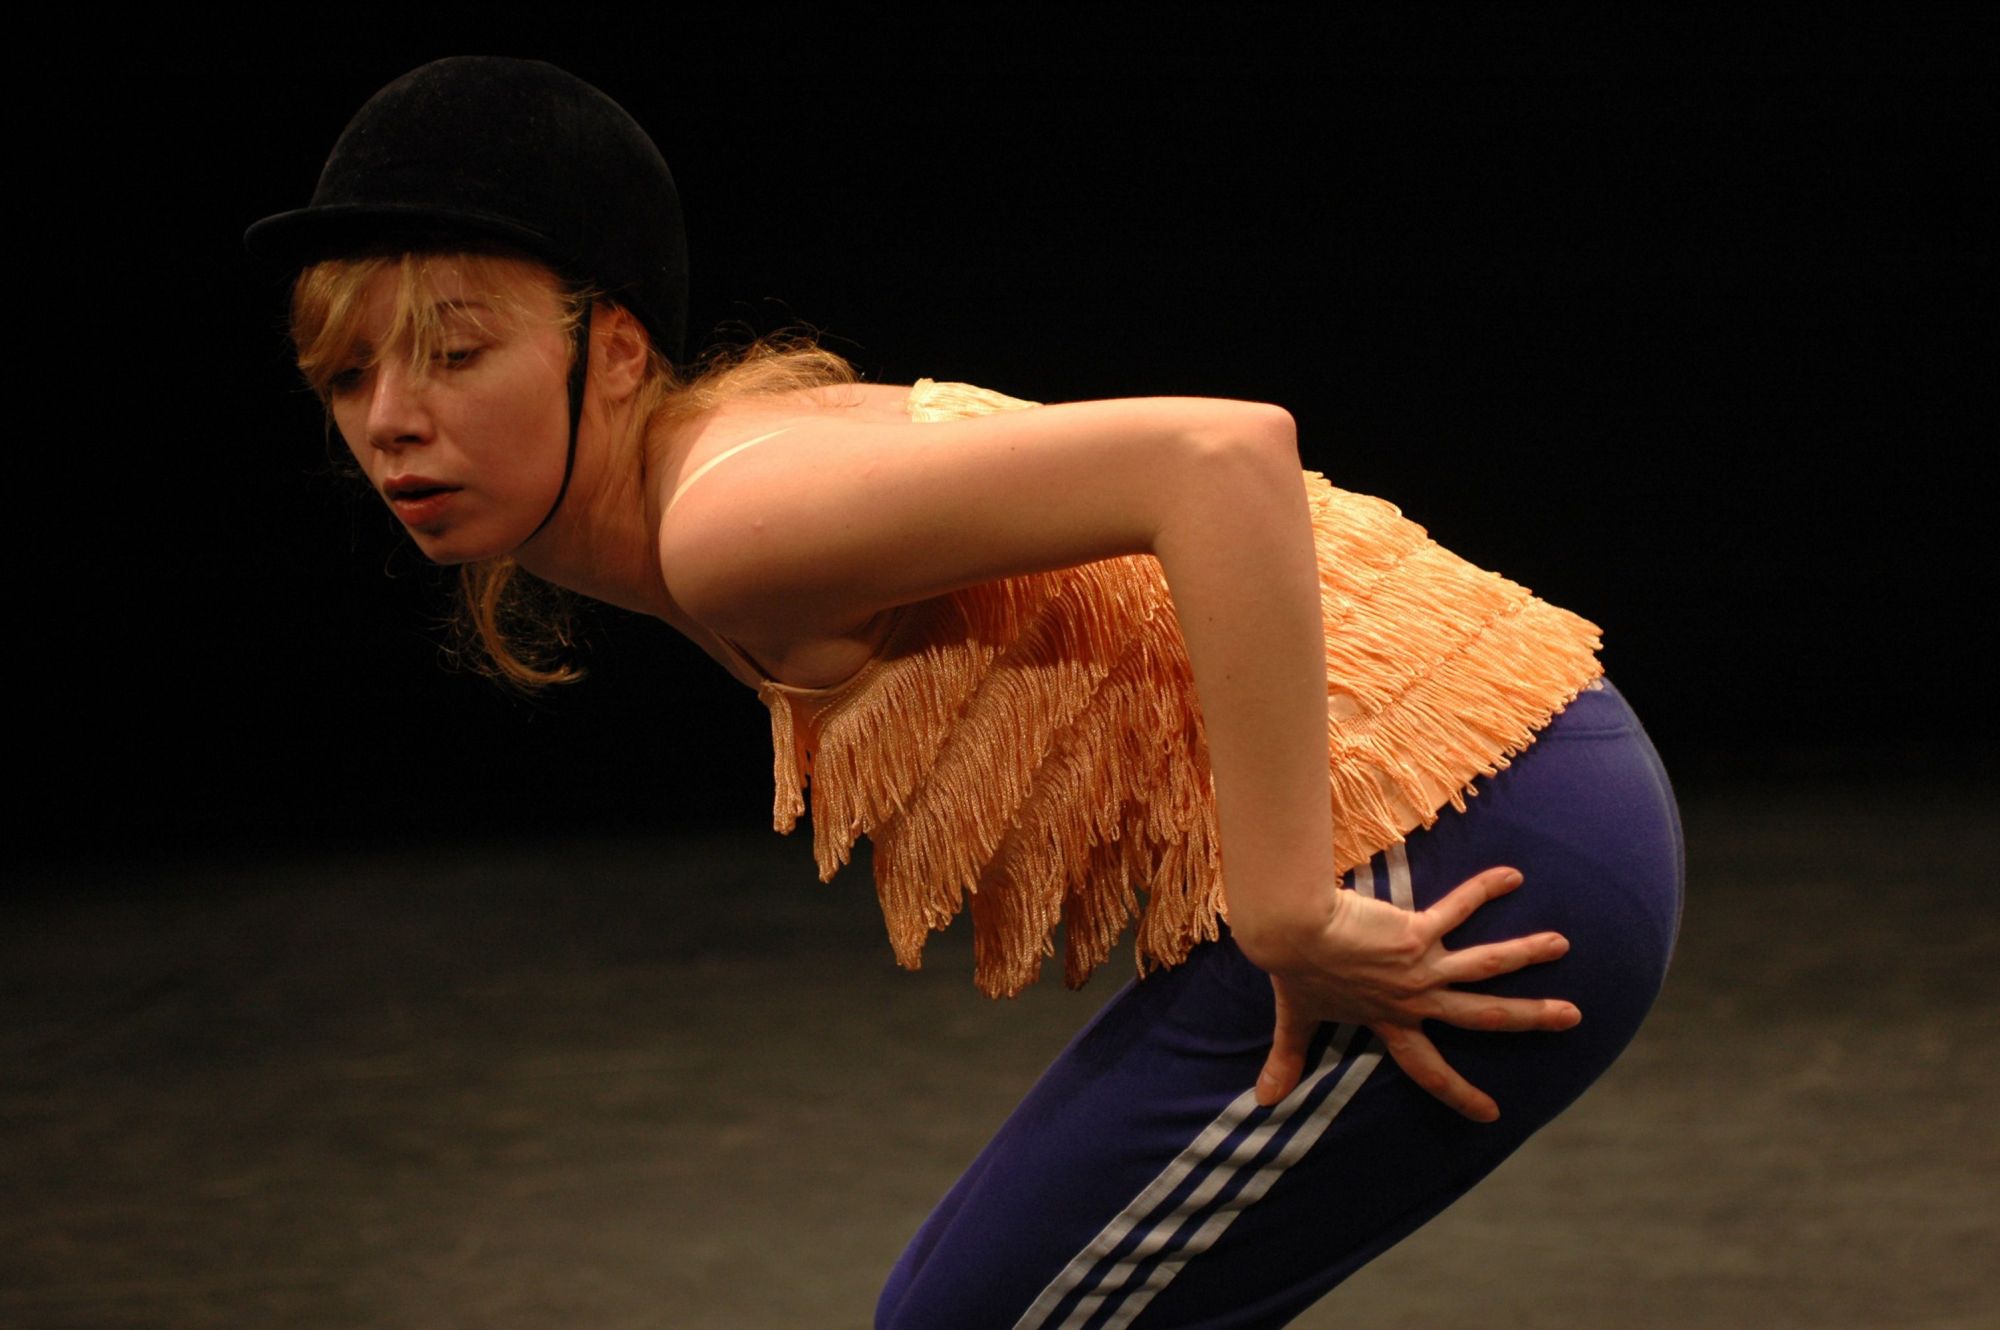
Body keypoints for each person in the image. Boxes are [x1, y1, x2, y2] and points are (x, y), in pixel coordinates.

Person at [249, 57, 1682, 1330]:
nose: (391, 419)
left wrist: (1286, 908)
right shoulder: (717, 468)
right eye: (348, 373)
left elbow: (1220, 458)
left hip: (1465, 834)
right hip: (1498, 792)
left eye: (456, 352)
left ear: (613, 349)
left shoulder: (727, 516)